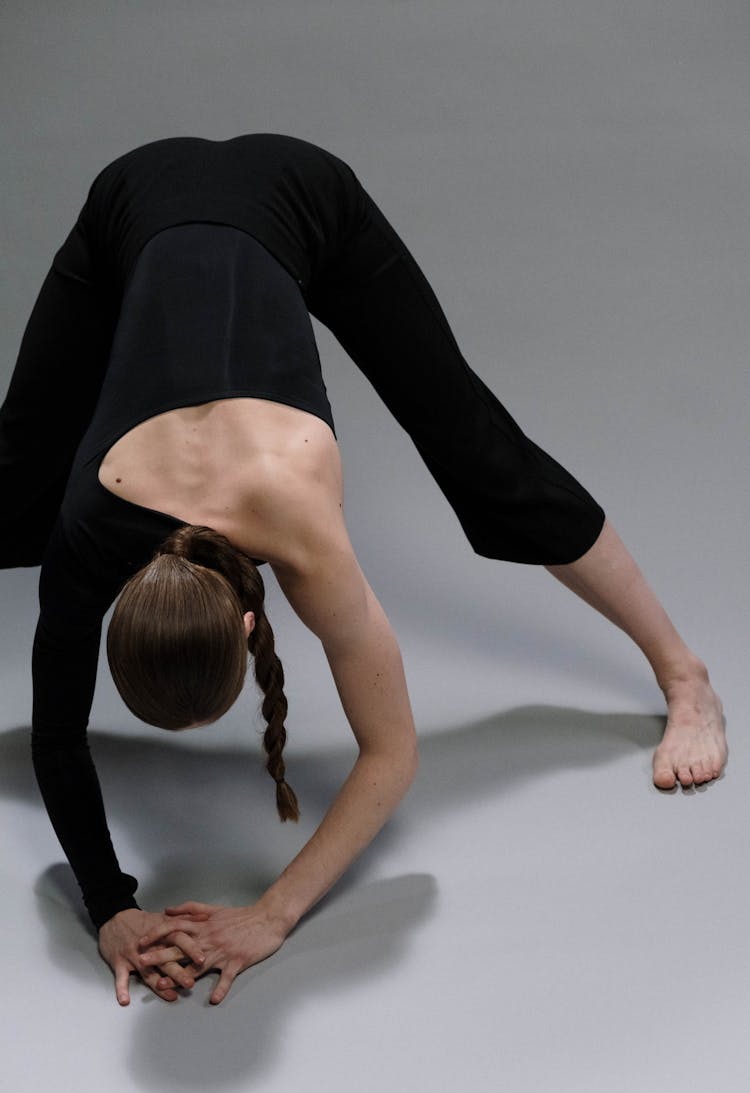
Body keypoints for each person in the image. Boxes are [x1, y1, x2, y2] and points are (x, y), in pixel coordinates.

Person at [0, 132, 727, 1007]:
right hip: (134, 200)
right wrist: (110, 905)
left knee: (484, 458)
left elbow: (392, 752)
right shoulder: (90, 527)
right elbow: (54, 735)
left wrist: (273, 913)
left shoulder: (301, 522)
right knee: (13, 494)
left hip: (299, 199)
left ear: (246, 623)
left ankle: (686, 673)